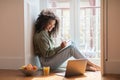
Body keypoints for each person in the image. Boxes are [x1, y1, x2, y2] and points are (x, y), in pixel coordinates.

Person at [33, 9, 100, 71]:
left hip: (49, 61)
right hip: (47, 64)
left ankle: (86, 66)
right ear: (44, 22)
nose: (52, 26)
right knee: (71, 48)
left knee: (72, 43)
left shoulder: (45, 33)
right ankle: (92, 64)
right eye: (49, 24)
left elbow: (49, 50)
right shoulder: (41, 35)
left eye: (53, 24)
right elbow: (46, 54)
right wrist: (60, 47)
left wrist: (62, 47)